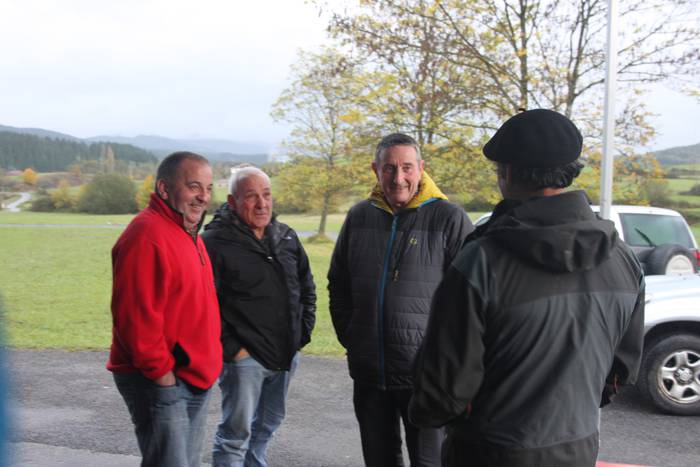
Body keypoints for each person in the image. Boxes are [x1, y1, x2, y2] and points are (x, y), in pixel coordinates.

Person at [408, 109, 646, 467]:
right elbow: (621, 369)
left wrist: (425, 412)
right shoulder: (624, 259)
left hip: (487, 453)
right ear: (569, 170)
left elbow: (442, 392)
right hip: (578, 449)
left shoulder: (480, 262)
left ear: (506, 173)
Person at [328, 133, 473, 467]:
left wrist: (444, 360)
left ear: (421, 168)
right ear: (375, 170)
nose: (399, 178)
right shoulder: (359, 217)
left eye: (407, 167)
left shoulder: (449, 218)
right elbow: (339, 283)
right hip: (369, 373)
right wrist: (353, 336)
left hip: (425, 379)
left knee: (430, 462)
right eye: (389, 168)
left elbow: (467, 300)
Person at [107, 151, 222, 467]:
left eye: (208, 188)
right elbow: (134, 318)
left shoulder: (186, 230)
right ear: (164, 188)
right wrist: (162, 376)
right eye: (194, 186)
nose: (204, 197)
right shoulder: (146, 235)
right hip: (164, 379)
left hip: (193, 376)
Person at [201, 167, 316, 467]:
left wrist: (302, 332)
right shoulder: (213, 243)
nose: (262, 204)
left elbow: (306, 286)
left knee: (268, 424)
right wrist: (233, 350)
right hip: (245, 362)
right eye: (252, 197)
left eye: (266, 195)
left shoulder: (286, 236)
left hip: (286, 353)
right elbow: (204, 305)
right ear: (233, 201)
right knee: (234, 436)